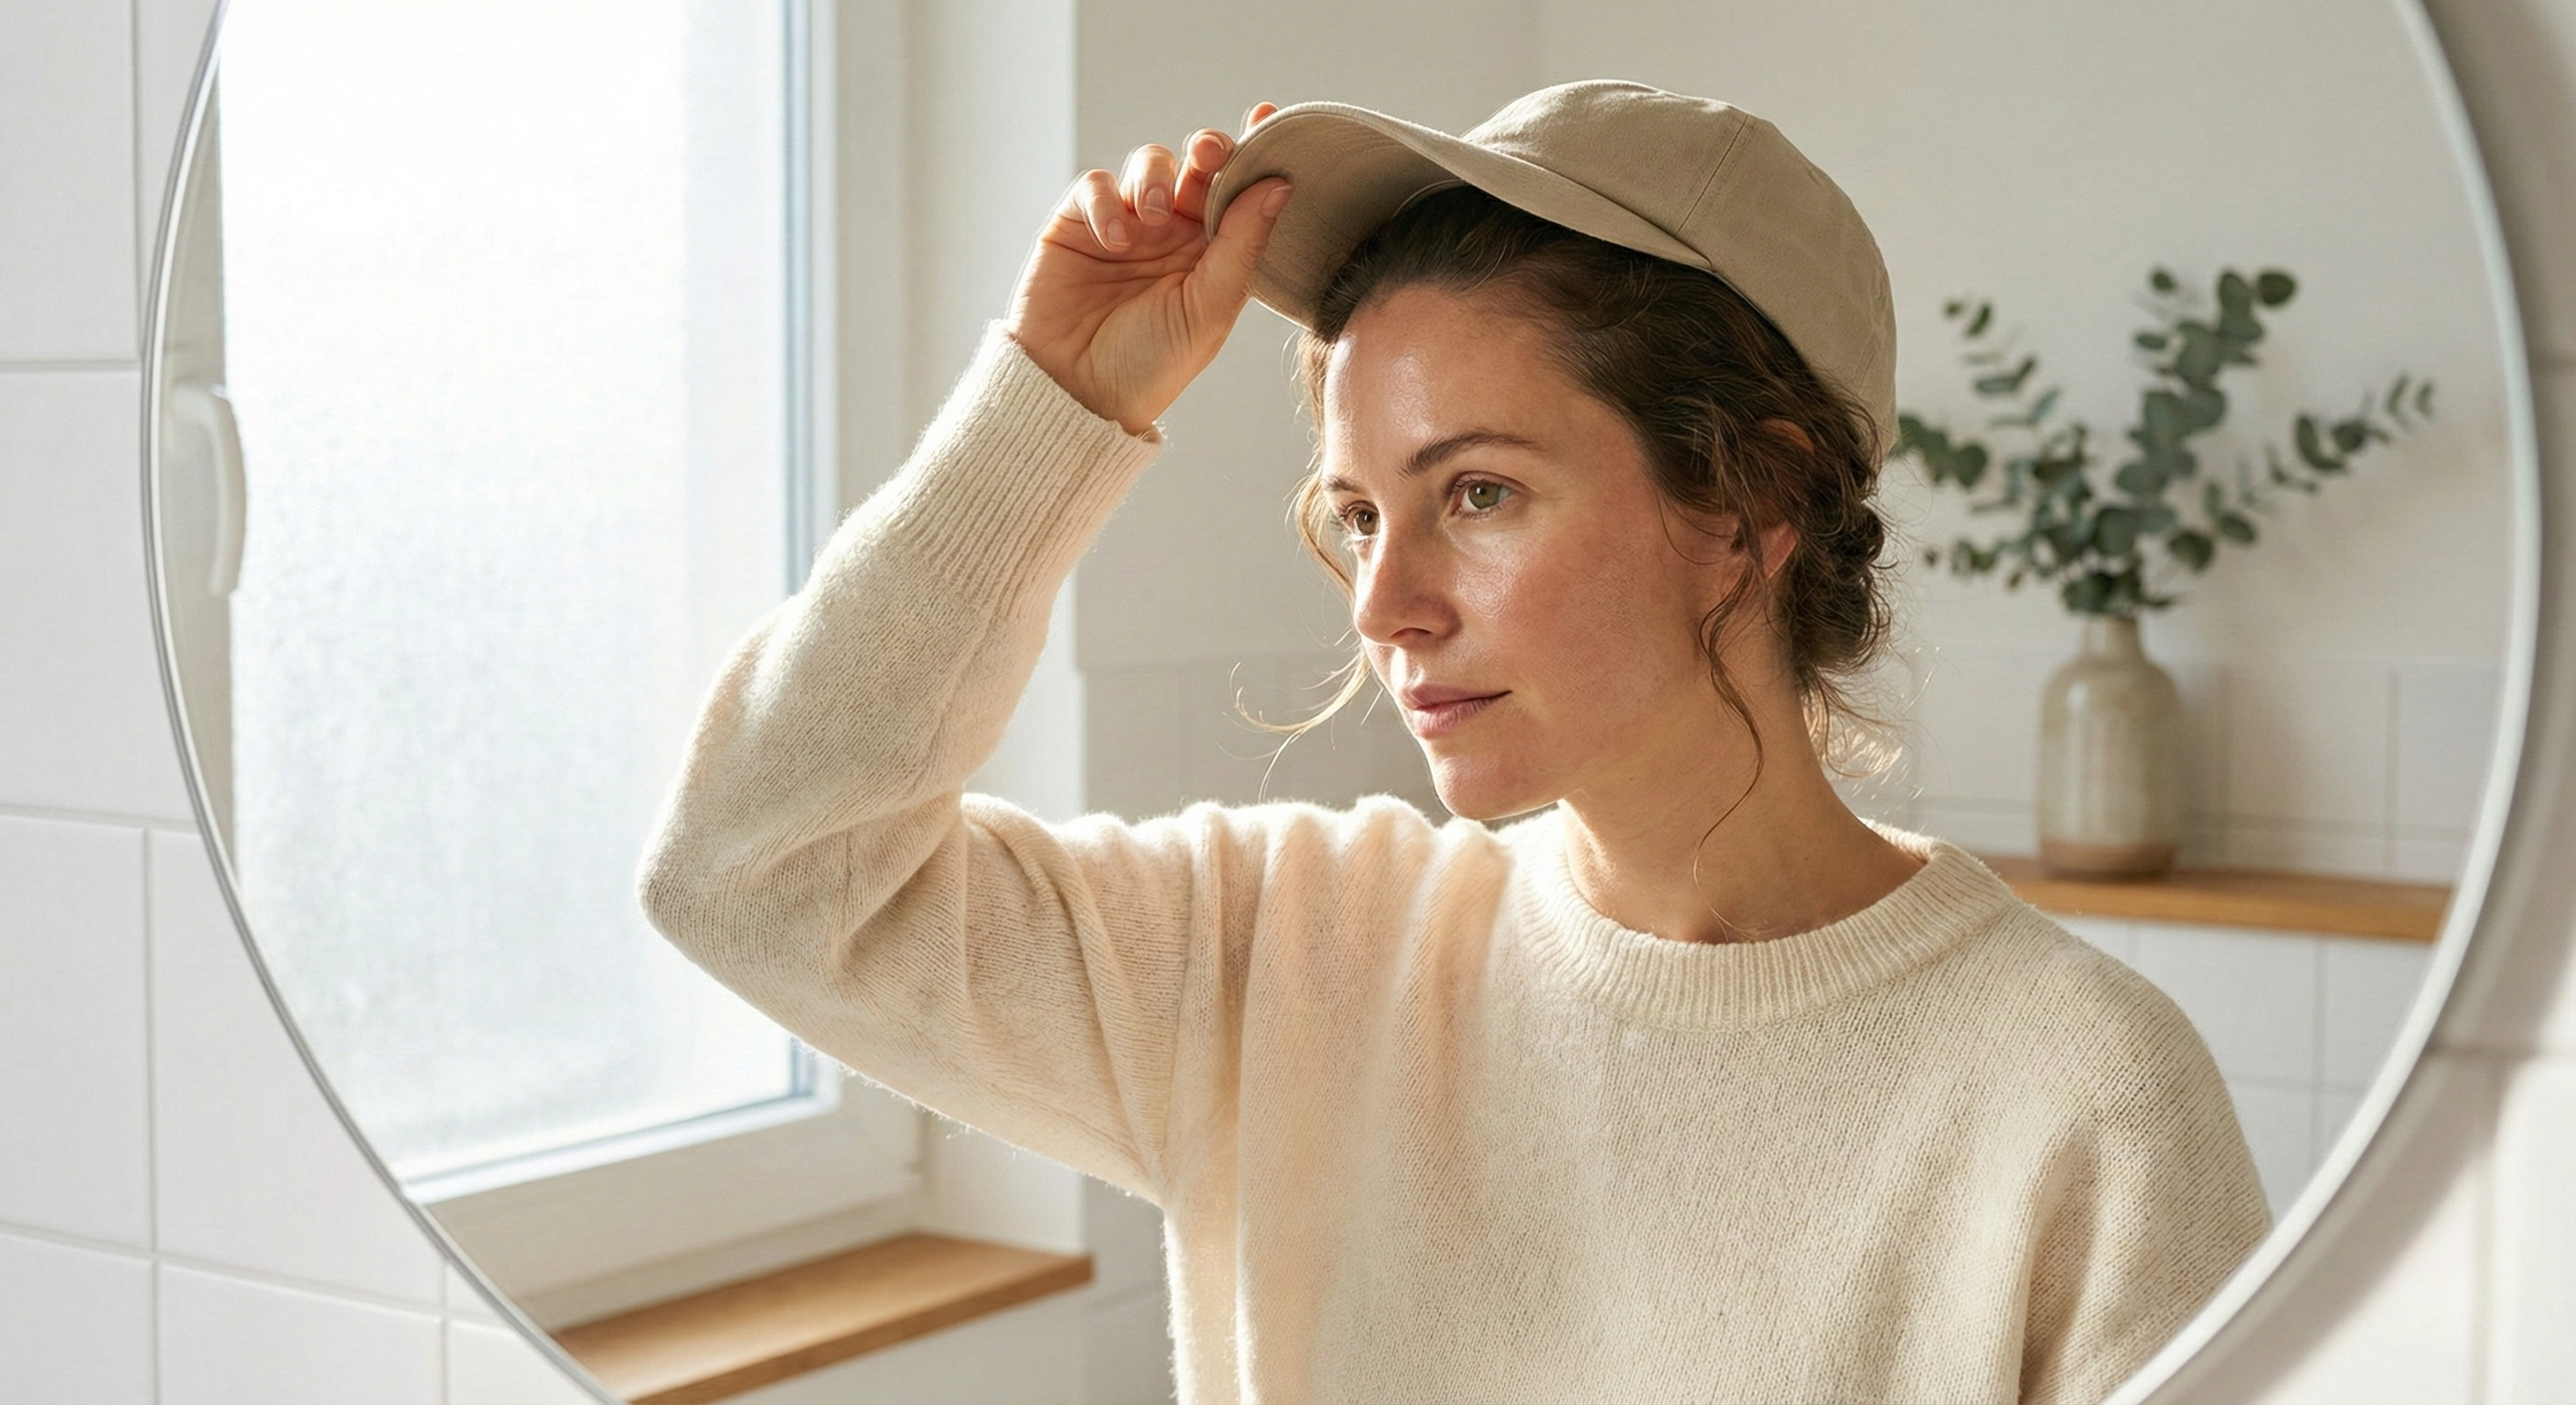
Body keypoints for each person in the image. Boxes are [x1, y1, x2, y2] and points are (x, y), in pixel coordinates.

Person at [639, 80, 2269, 1405]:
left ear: (1753, 504)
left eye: (1477, 492)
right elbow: (753, 876)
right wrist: (1051, 403)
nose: (1385, 603)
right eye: (1361, 512)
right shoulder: (1285, 955)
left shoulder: (2084, 1101)